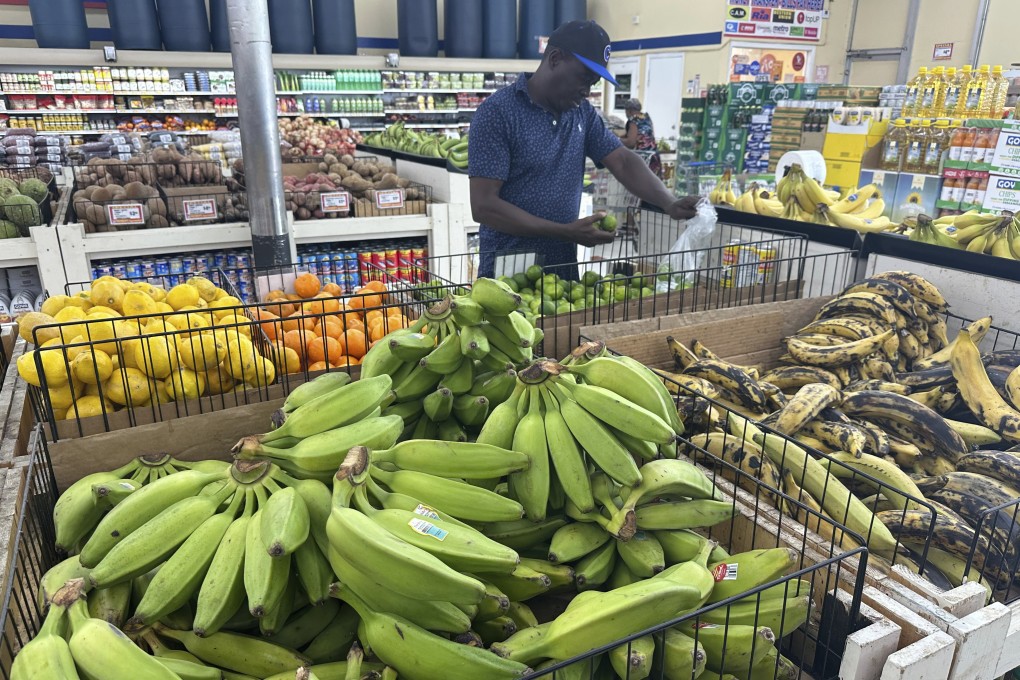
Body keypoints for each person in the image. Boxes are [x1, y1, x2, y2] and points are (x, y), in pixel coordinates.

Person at [468, 19, 699, 278]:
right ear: (555, 58)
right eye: (584, 78)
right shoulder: (499, 113)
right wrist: (564, 231)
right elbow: (484, 205)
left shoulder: (582, 114)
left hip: (563, 267)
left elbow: (622, 160)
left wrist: (668, 202)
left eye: (594, 82)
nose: (587, 91)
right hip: (508, 269)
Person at [620, 98, 662, 178]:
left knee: (641, 186)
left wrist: (617, 140)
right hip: (653, 156)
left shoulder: (633, 120)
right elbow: (644, 134)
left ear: (629, 111)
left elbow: (631, 142)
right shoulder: (646, 117)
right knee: (654, 185)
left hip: (643, 158)